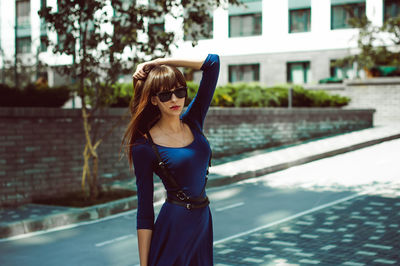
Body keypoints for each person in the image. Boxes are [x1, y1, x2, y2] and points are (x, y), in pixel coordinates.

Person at [121, 54, 220, 265]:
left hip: (202, 222)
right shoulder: (144, 146)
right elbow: (145, 211)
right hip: (174, 227)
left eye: (180, 91)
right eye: (165, 95)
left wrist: (158, 62)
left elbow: (213, 64)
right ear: (154, 99)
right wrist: (144, 264)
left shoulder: (193, 121)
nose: (175, 99)